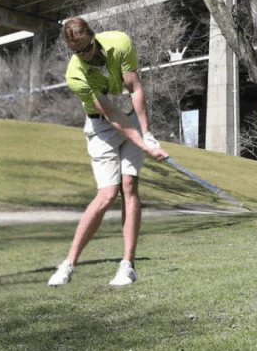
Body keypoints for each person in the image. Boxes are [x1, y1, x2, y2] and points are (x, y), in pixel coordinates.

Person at [48, 17, 169, 287]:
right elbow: (112, 114)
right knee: (106, 195)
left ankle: (127, 266)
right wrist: (144, 145)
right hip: (102, 126)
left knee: (129, 187)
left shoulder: (120, 42)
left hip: (132, 119)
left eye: (87, 48)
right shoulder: (75, 74)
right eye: (77, 52)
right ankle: (69, 263)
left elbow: (134, 88)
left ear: (94, 37)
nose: (84, 55)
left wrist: (147, 134)